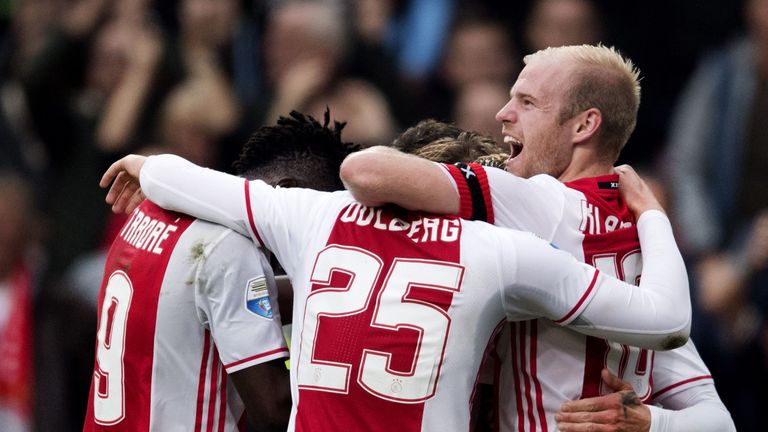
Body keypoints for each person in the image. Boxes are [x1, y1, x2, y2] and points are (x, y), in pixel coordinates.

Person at [100, 138, 691, 432]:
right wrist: (653, 215)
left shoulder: (314, 216)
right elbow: (666, 320)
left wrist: (144, 165)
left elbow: (207, 186)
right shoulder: (502, 251)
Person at [339, 44, 735, 431]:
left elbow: (367, 171)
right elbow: (717, 421)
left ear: (584, 125)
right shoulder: (645, 262)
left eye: (527, 102)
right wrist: (653, 421)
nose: (502, 113)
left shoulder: (540, 201)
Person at [82, 110, 356, 432]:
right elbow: (275, 409)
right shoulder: (232, 249)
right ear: (288, 190)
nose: (313, 239)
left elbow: (212, 303)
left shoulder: (150, 213)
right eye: (311, 216)